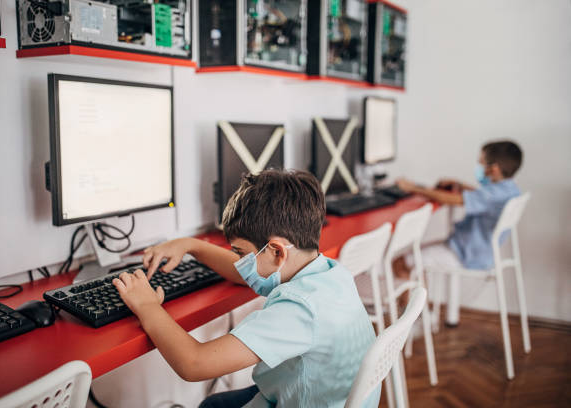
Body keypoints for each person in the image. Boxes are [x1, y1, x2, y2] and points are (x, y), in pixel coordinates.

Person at [112, 169, 380, 408]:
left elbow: (194, 364)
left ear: (276, 251)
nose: (241, 264)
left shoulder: (300, 310)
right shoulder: (328, 272)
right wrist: (191, 245)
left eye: (242, 254)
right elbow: (251, 271)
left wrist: (147, 307)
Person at [396, 140, 523, 326]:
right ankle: (423, 314)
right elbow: (483, 196)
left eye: (481, 163)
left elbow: (456, 200)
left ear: (494, 169)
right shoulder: (510, 189)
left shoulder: (492, 195)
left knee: (401, 263)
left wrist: (413, 188)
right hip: (482, 252)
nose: (478, 167)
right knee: (416, 255)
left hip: (465, 254)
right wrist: (460, 184)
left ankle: (409, 323)